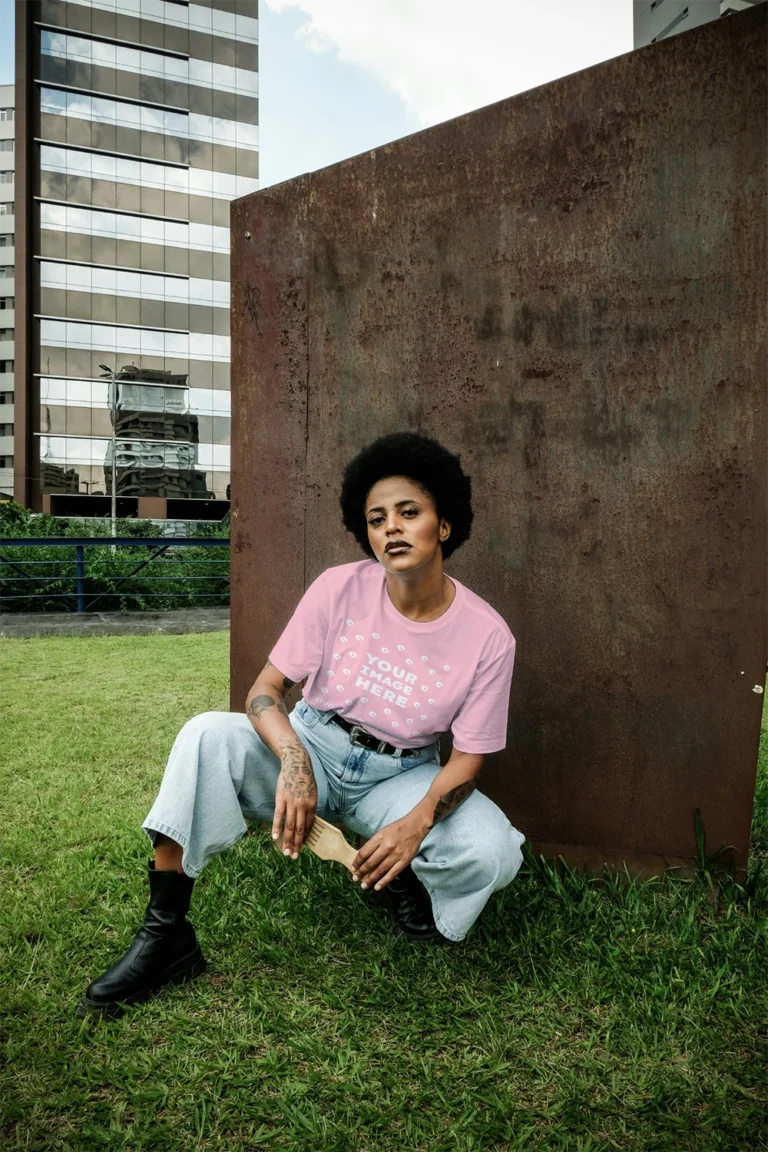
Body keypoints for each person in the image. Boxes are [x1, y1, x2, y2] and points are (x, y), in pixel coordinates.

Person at [80, 432, 525, 1017]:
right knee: (204, 735)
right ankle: (167, 936)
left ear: (444, 525)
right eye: (376, 518)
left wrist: (416, 825)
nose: (391, 527)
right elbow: (265, 691)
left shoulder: (488, 636)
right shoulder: (338, 589)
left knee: (493, 850)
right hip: (312, 738)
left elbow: (468, 757)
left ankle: (404, 883)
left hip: (400, 775)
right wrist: (293, 759)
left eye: (409, 512)